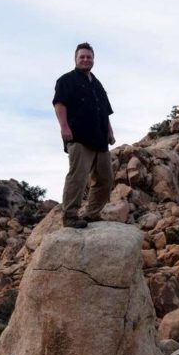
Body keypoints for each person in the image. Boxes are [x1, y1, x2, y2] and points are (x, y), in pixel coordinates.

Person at [52, 42, 116, 228]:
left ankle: (92, 214)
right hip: (78, 137)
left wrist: (110, 132)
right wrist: (64, 128)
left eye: (89, 57)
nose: (86, 60)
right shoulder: (66, 80)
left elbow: (104, 111)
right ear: (75, 59)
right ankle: (70, 217)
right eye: (82, 57)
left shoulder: (97, 84)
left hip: (100, 139)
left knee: (105, 179)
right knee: (78, 177)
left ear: (93, 59)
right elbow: (59, 104)